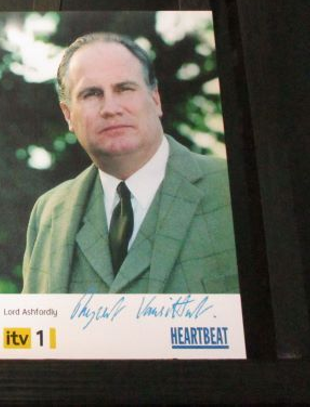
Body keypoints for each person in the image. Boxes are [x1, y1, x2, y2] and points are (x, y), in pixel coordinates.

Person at [22, 33, 239, 294]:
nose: (110, 108)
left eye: (124, 88)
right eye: (91, 94)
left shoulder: (231, 187)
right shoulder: (48, 213)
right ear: (68, 115)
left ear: (155, 99)